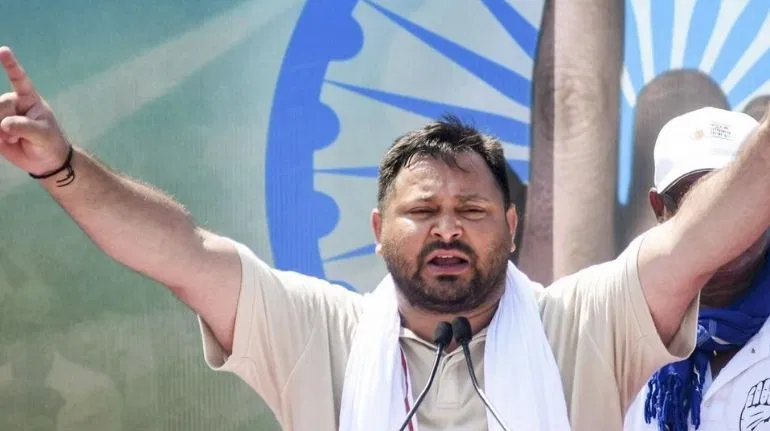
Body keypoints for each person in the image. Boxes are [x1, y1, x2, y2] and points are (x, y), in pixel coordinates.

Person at [8, 45, 769, 431]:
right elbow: (180, 254)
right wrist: (64, 167)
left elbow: (707, 230)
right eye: (422, 210)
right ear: (378, 230)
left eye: (472, 210)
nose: (447, 227)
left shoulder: (583, 323)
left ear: (512, 227)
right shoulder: (317, 332)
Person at [623, 107, 770, 431]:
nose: (721, 224)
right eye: (697, 202)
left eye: (737, 199)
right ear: (659, 209)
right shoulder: (620, 340)